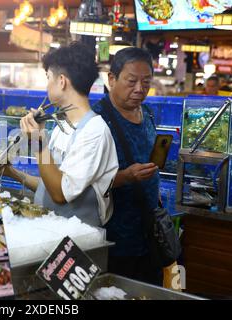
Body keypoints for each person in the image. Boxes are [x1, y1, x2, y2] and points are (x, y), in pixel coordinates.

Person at [4, 42, 119, 228]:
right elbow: (50, 184)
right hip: (54, 230)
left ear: (62, 81)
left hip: (80, 240)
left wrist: (38, 144)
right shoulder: (62, 126)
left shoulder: (94, 131)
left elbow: (60, 194)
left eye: (48, 77)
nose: (47, 85)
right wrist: (11, 173)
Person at [92, 47, 163, 286]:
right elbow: (83, 182)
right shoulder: (96, 119)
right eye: (131, 81)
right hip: (115, 237)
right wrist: (125, 177)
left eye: (146, 82)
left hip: (148, 232)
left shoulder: (148, 113)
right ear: (111, 79)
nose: (139, 89)